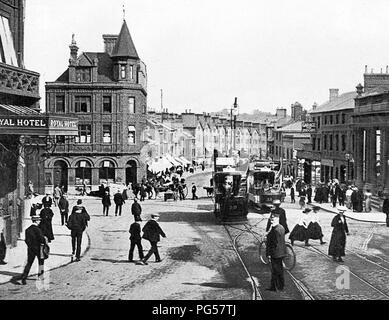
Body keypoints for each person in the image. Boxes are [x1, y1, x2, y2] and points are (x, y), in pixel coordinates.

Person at [13, 216, 46, 285]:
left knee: (29, 263)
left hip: (30, 249)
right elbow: (41, 239)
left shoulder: (27, 229)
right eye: (39, 220)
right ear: (36, 221)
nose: (39, 221)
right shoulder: (38, 229)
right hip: (39, 248)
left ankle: (24, 277)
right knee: (41, 262)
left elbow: (26, 240)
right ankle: (40, 276)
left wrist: (30, 246)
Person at [265, 212, 286, 292]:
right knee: (280, 270)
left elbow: (273, 243)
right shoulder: (281, 227)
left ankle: (274, 287)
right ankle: (280, 286)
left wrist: (269, 254)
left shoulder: (274, 230)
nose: (271, 221)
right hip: (281, 252)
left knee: (274, 271)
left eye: (272, 220)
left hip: (275, 253)